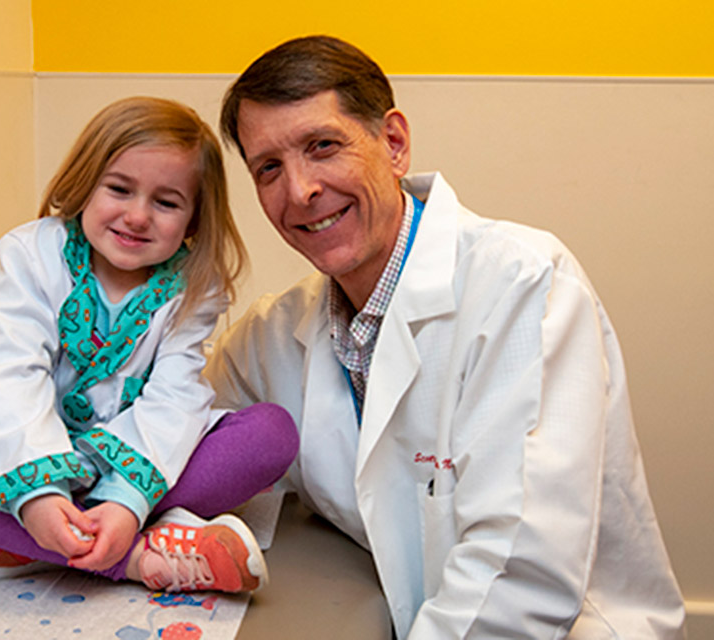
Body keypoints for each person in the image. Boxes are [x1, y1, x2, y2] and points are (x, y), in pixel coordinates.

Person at [205, 35, 685, 636]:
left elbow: (519, 576)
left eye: (322, 146)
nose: (299, 190)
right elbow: (180, 439)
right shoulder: (274, 335)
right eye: (268, 168)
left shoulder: (523, 285)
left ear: (395, 143)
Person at [0, 96, 298, 594]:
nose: (137, 216)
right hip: (38, 455)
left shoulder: (198, 284)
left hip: (139, 462)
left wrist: (126, 500)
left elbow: (174, 399)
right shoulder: (30, 254)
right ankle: (135, 558)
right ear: (86, 184)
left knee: (271, 433)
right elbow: (10, 372)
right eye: (119, 189)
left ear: (193, 221)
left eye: (166, 202)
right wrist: (39, 496)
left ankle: (25, 543)